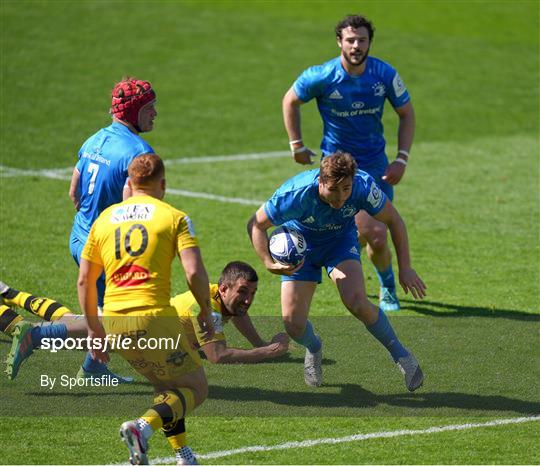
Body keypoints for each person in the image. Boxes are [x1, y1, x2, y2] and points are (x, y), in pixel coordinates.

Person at [247, 151, 426, 391]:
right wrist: (269, 263)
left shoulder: (362, 186)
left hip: (339, 243)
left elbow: (394, 220)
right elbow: (256, 224)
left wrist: (405, 267)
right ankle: (314, 348)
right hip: (301, 250)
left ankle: (403, 357)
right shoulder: (294, 194)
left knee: (357, 301)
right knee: (293, 325)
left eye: (346, 189)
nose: (340, 197)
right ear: (320, 181)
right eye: (333, 190)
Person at [78, 154, 214, 465]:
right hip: (153, 317)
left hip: (113, 322)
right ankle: (141, 429)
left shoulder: (104, 219)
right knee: (196, 388)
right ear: (163, 184)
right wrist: (205, 310)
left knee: (166, 388)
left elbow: (85, 279)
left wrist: (93, 329)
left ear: (130, 183)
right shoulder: (174, 217)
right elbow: (193, 272)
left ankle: (182, 453)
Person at [282, 14, 415, 312]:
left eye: (362, 40)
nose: (356, 46)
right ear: (340, 42)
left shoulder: (384, 74)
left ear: (370, 42)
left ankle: (386, 284)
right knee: (373, 232)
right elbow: (290, 100)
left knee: (378, 239)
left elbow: (407, 113)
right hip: (337, 169)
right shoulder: (323, 76)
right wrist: (296, 145)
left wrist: (401, 159)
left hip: (375, 167)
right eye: (350, 40)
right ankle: (374, 286)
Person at [2, 262, 289, 378]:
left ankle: (11, 298)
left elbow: (239, 314)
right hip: (139, 324)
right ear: (224, 288)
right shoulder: (207, 309)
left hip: (147, 328)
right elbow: (218, 355)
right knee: (88, 329)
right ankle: (32, 333)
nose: (248, 300)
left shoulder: (218, 294)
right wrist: (266, 352)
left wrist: (260, 342)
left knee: (80, 324)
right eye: (243, 292)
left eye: (252, 293)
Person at [68, 76, 158, 382]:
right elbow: (136, 208)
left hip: (80, 239)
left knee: (111, 312)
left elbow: (74, 193)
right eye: (150, 109)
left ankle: (94, 368)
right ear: (134, 113)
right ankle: (36, 334)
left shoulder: (93, 140)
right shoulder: (138, 152)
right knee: (127, 317)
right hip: (106, 252)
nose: (155, 114)